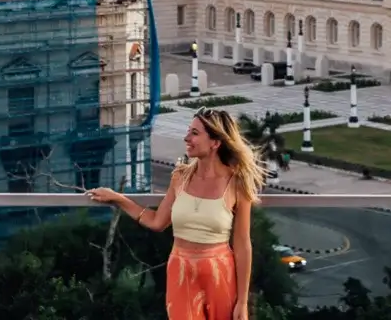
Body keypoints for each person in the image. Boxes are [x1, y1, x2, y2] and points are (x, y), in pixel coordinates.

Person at [88, 107, 265, 320]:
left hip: (220, 273)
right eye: (188, 131)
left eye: (195, 133)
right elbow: (157, 222)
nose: (186, 138)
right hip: (180, 270)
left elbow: (242, 244)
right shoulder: (180, 177)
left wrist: (243, 302)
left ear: (215, 143)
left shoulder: (236, 183)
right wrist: (119, 198)